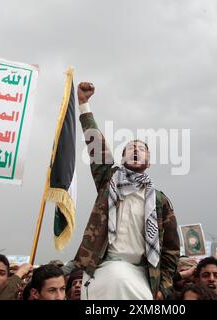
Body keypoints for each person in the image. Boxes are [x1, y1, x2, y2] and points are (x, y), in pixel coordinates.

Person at [74, 82, 180, 300]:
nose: (135, 150)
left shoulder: (160, 201)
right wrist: (84, 104)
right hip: (103, 269)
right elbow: (96, 144)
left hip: (143, 274)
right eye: (130, 148)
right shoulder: (109, 180)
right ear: (121, 159)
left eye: (141, 149)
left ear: (148, 163)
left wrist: (164, 288)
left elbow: (170, 249)